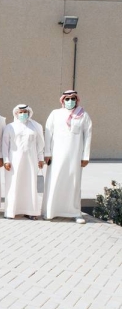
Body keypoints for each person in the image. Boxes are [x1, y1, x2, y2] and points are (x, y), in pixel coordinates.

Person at [42, 90, 92, 223]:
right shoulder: (55, 114)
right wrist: (47, 153)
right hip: (57, 155)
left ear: (77, 100)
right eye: (67, 99)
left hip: (75, 155)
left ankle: (75, 212)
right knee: (55, 180)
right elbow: (48, 133)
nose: (70, 101)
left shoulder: (83, 115)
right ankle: (51, 211)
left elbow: (88, 136)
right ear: (63, 100)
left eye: (72, 98)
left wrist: (85, 156)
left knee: (74, 182)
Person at [2, 104, 45, 220]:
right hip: (14, 161)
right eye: (20, 112)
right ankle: (11, 211)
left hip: (31, 161)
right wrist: (6, 160)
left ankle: (30, 211)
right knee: (14, 184)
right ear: (16, 113)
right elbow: (5, 145)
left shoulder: (36, 126)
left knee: (30, 184)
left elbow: (39, 145)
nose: (22, 114)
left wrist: (41, 159)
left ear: (29, 112)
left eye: (25, 111)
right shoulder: (10, 127)